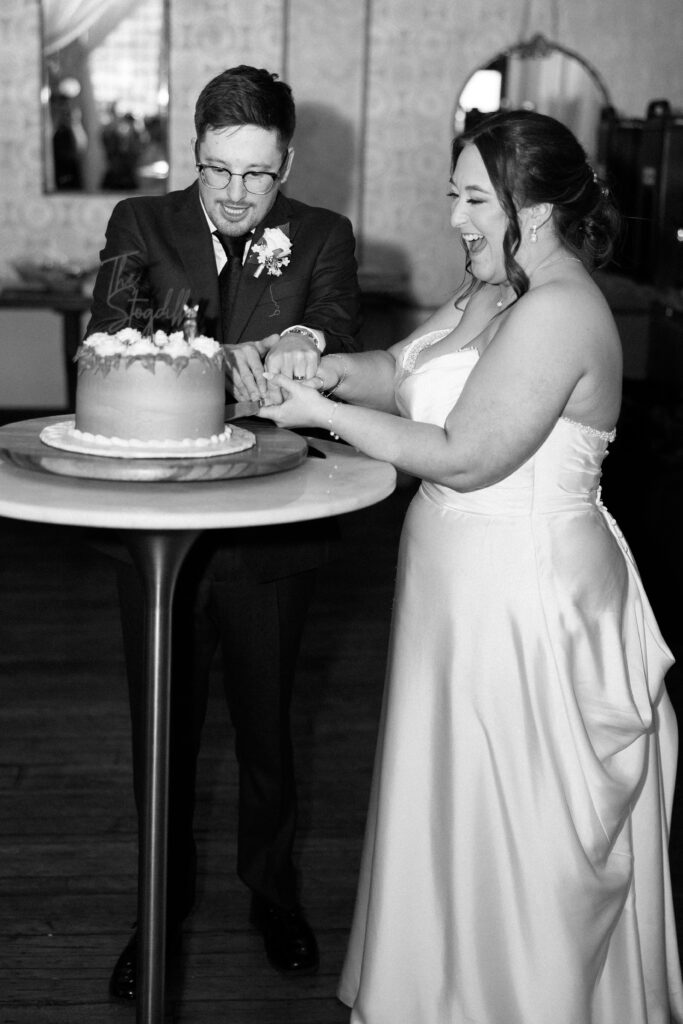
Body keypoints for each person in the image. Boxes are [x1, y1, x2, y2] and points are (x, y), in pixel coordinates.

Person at [259, 109, 683, 1023]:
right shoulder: (496, 288)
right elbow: (403, 372)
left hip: (524, 606)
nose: (452, 216)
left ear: (532, 207)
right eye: (453, 193)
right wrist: (322, 366)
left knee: (513, 831)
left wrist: (313, 416)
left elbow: (462, 451)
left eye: (471, 198)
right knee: (452, 813)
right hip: (454, 601)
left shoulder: (562, 307)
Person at [85, 66, 361, 1000]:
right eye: (217, 171)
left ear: (286, 161)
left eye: (258, 175)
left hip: (272, 537)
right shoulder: (138, 223)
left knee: (268, 733)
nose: (237, 195)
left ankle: (272, 893)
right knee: (160, 732)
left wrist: (309, 344)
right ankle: (157, 908)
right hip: (158, 528)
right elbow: (112, 329)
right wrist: (216, 354)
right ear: (191, 152)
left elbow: (329, 320)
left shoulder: (324, 236)